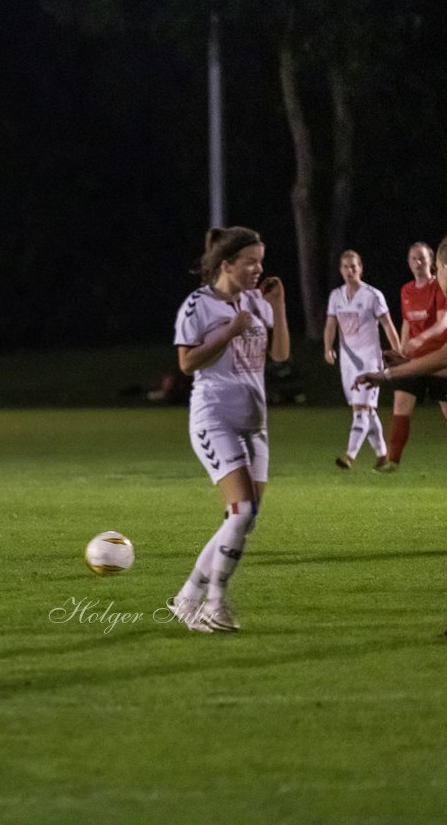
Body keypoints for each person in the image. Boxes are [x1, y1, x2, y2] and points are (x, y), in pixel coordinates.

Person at [168, 226, 289, 633]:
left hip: (255, 424)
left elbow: (281, 354)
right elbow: (187, 364)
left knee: (245, 519)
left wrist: (279, 304)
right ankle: (215, 603)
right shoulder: (197, 306)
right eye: (250, 261)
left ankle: (187, 596)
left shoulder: (256, 299)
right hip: (214, 416)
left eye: (261, 260)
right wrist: (230, 331)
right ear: (227, 264)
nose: (259, 268)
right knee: (241, 511)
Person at [355, 234, 447, 638]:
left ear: (442, 269)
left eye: (438, 266)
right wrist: (396, 369)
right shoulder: (410, 292)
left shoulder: (445, 298)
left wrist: (391, 370)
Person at [322, 250, 402, 470]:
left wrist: (398, 353)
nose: (350, 270)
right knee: (367, 410)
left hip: (369, 361)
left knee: (360, 409)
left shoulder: (372, 295)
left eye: (354, 266)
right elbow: (331, 324)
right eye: (346, 266)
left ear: (361, 268)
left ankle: (350, 455)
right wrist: (328, 347)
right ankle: (382, 454)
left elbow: (388, 325)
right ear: (340, 270)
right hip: (347, 362)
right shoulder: (336, 296)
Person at [383, 242, 447, 467]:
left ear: (432, 261)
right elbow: (407, 322)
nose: (418, 263)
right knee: (401, 404)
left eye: (422, 258)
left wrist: (421, 339)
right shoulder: (406, 290)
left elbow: (443, 323)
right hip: (414, 360)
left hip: (440, 360)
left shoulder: (440, 287)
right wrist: (403, 350)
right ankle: (392, 461)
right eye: (413, 258)